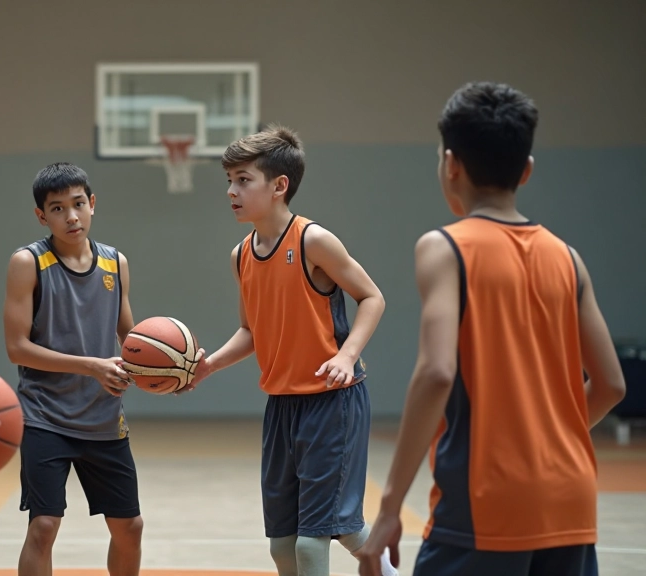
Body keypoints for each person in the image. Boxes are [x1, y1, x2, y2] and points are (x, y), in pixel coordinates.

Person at [357, 81, 627, 576]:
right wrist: (547, 443)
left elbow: (437, 373)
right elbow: (611, 385)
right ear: (526, 170)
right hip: (571, 500)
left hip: (485, 501)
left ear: (451, 164)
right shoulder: (569, 259)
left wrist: (391, 506)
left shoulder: (444, 248)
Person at [181, 125, 397, 576]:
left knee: (312, 545)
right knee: (286, 545)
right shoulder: (241, 254)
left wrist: (347, 355)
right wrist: (210, 365)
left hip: (332, 402)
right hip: (282, 406)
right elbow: (251, 330)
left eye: (244, 180)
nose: (231, 191)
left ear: (279, 185)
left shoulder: (313, 241)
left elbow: (372, 297)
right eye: (229, 180)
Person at [3, 162, 143, 576]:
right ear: (41, 216)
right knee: (44, 526)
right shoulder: (28, 263)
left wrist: (172, 366)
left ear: (92, 203)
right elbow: (17, 348)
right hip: (45, 417)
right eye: (58, 208)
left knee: (130, 527)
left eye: (78, 204)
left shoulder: (115, 263)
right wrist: (92, 367)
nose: (71, 216)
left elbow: (131, 338)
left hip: (104, 419)